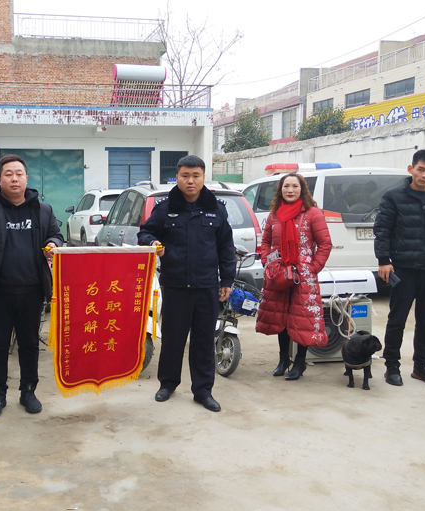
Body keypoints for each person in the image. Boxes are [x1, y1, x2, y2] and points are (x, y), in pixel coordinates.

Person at [0, 154, 63, 418]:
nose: (14, 178)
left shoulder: (42, 210)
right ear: (0, 179)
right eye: (8, 174)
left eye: (19, 173)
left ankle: (28, 391)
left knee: (29, 345)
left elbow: (56, 234)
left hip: (32, 291)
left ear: (26, 178)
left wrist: (53, 244)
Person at [138, 155, 235, 412]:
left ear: (203, 177)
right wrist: (153, 243)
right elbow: (145, 232)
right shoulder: (164, 208)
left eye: (195, 176)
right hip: (175, 285)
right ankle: (167, 384)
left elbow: (226, 247)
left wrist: (227, 279)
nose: (190, 181)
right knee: (173, 339)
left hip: (206, 286)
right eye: (185, 176)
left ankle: (203, 391)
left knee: (203, 341)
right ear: (177, 178)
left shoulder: (217, 209)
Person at [374, 148, 425, 388]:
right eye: (420, 169)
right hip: (403, 268)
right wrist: (384, 260)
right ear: (411, 169)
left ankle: (421, 367)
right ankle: (392, 366)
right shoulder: (394, 196)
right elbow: (382, 230)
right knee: (397, 319)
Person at [255, 172, 332, 380]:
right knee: (281, 317)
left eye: (295, 186)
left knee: (302, 319)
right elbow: (266, 242)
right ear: (280, 190)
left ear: (302, 189)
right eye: (286, 186)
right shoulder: (274, 214)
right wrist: (267, 262)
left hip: (304, 276)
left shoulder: (313, 213)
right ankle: (283, 360)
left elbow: (325, 244)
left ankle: (300, 362)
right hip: (278, 274)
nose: (290, 190)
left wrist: (313, 267)